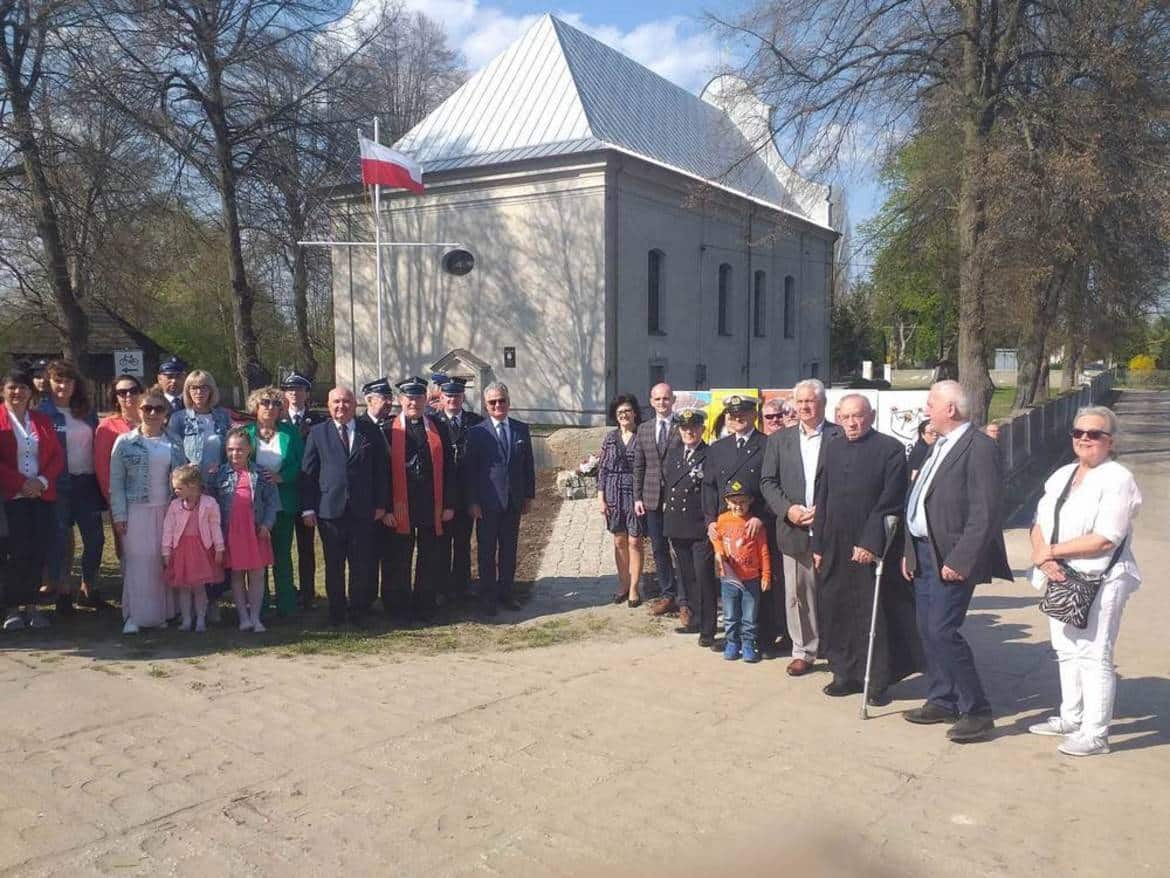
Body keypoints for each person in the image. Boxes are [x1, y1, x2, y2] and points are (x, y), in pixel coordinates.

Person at [901, 380, 1012, 743]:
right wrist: (909, 550)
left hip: (951, 557)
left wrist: (961, 558)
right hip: (923, 553)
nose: (926, 409)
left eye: (930, 403)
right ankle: (942, 698)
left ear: (950, 409)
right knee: (927, 629)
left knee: (943, 630)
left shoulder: (978, 447)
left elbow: (985, 511)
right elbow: (920, 498)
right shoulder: (940, 444)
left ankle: (977, 710)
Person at [1027, 406, 1139, 757]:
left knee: (1094, 654)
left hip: (1099, 579)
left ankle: (1095, 733)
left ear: (1110, 441)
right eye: (1078, 433)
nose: (1085, 439)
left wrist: (1051, 552)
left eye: (1094, 434)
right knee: (1065, 650)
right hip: (1058, 574)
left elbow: (1106, 538)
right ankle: (1071, 716)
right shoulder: (1063, 474)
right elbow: (1039, 521)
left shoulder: (1117, 479)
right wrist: (1043, 556)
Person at [812, 393, 911, 704]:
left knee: (872, 613)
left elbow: (891, 500)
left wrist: (870, 541)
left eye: (858, 416)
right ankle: (843, 671)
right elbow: (822, 495)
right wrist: (818, 544)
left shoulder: (890, 449)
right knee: (836, 607)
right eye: (845, 417)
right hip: (834, 543)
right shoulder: (833, 446)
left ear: (871, 416)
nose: (852, 423)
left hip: (870, 545)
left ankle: (877, 681)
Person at [761, 378, 842, 677]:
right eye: (801, 401)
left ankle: (836, 649)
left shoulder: (839, 435)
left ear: (823, 403)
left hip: (831, 529)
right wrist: (788, 510)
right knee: (797, 594)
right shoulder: (778, 441)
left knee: (833, 592)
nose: (805, 406)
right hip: (793, 529)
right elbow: (768, 482)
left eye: (811, 401)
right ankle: (804, 650)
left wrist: (827, 509)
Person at [300, 387, 390, 626]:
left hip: (363, 509)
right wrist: (308, 508)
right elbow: (308, 473)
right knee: (334, 564)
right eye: (336, 402)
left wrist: (381, 504)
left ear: (355, 404)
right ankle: (336, 613)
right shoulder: (318, 433)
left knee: (360, 563)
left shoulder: (369, 431)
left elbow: (381, 471)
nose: (341, 406)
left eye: (346, 401)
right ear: (329, 405)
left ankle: (358, 610)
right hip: (329, 510)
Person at [702, 394, 784, 656]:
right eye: (733, 414)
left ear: (754, 415)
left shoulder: (768, 444)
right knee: (729, 586)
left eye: (743, 413)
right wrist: (710, 520)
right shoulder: (718, 448)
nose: (737, 418)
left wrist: (762, 517)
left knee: (759, 586)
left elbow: (775, 485)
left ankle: (764, 637)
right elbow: (709, 487)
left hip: (756, 527)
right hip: (727, 529)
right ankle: (733, 637)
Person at [109, 389, 186, 634]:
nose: (153, 413)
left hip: (167, 509)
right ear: (139, 410)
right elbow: (116, 483)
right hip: (136, 510)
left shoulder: (175, 441)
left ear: (166, 413)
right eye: (147, 408)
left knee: (162, 561)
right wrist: (119, 515)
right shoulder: (125, 442)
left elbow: (183, 477)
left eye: (158, 409)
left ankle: (162, 614)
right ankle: (136, 616)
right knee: (138, 563)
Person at [383, 376, 456, 624]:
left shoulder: (438, 428)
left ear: (426, 399)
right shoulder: (388, 429)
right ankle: (400, 607)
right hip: (399, 504)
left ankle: (425, 605)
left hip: (430, 503)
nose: (413, 402)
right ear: (400, 400)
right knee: (400, 558)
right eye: (409, 398)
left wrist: (448, 504)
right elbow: (381, 473)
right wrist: (386, 508)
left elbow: (449, 469)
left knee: (429, 557)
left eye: (418, 397)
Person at [38, 360, 107, 615]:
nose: (63, 386)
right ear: (49, 383)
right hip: (58, 483)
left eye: (68, 381)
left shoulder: (86, 412)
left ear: (75, 384)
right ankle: (63, 590)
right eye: (58, 380)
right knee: (61, 540)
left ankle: (89, 587)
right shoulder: (42, 413)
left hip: (86, 482)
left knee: (95, 538)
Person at [0, 369, 64, 630]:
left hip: (40, 495)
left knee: (37, 550)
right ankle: (12, 608)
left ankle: (32, 606)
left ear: (31, 392)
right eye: (12, 387)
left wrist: (42, 482)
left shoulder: (41, 419)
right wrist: (20, 483)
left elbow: (56, 456)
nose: (18, 392)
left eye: (23, 387)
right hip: (9, 497)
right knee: (15, 552)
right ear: (3, 390)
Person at [465, 381, 536, 616]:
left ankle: (507, 593)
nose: (498, 405)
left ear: (509, 402)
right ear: (486, 405)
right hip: (487, 504)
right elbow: (470, 471)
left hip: (513, 502)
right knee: (486, 552)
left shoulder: (520, 429)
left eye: (501, 400)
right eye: (492, 402)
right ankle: (488, 597)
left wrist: (528, 495)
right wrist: (473, 502)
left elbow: (528, 465)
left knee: (509, 551)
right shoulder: (477, 432)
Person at [243, 386, 303, 616]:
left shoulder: (290, 433)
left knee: (282, 555)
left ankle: (287, 606)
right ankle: (260, 606)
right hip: (254, 504)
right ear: (255, 407)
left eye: (276, 404)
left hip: (284, 502)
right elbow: (235, 460)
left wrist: (282, 476)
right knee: (257, 558)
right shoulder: (245, 433)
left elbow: (301, 462)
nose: (270, 407)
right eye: (265, 403)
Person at [662, 408, 717, 643]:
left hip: (699, 526)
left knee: (703, 577)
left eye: (693, 427)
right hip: (678, 526)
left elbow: (712, 491)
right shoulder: (675, 454)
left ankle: (708, 629)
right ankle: (694, 620)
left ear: (702, 429)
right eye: (684, 428)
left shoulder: (710, 454)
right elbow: (669, 486)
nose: (689, 432)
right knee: (687, 577)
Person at [215, 428, 278, 632]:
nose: (235, 453)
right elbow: (211, 504)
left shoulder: (261, 473)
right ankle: (243, 617)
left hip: (255, 530)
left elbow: (272, 502)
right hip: (232, 531)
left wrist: (267, 524)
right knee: (236, 575)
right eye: (230, 449)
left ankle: (255, 617)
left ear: (249, 449)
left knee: (257, 574)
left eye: (240, 449)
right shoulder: (218, 475)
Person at [431, 376, 484, 602]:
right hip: (441, 495)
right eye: (449, 395)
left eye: (457, 395)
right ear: (441, 397)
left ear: (463, 397)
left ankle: (462, 586)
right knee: (441, 544)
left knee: (463, 543)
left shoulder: (475, 422)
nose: (453, 399)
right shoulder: (433, 422)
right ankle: (442, 587)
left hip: (465, 494)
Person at [712, 482, 772, 662]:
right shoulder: (723, 520)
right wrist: (719, 553)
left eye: (743, 502)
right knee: (730, 614)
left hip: (751, 579)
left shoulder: (754, 523)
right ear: (727, 502)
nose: (738, 506)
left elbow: (763, 550)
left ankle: (748, 643)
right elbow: (716, 539)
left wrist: (766, 574)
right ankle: (732, 642)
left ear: (750, 501)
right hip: (729, 578)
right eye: (734, 502)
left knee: (749, 615)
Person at [634, 382, 679, 615]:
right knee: (659, 548)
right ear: (651, 402)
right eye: (658, 399)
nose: (662, 402)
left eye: (666, 398)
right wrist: (637, 497)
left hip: (677, 498)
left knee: (680, 548)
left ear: (673, 400)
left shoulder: (683, 426)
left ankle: (686, 597)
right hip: (651, 498)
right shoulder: (644, 429)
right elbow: (639, 465)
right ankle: (668, 594)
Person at [281, 371, 325, 608]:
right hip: (285, 490)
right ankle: (287, 591)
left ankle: (308, 593)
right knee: (283, 546)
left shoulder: (317, 420)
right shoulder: (278, 419)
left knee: (307, 546)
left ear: (307, 393)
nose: (294, 394)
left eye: (298, 390)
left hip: (309, 490)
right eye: (289, 390)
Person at [162, 464, 224, 632]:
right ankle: (187, 619)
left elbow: (215, 526)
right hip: (181, 551)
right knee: (184, 587)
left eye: (179, 488)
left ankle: (201, 619)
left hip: (201, 550)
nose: (176, 491)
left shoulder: (209, 504)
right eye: (174, 488)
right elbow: (168, 529)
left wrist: (219, 547)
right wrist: (166, 551)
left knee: (199, 587)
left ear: (193, 486)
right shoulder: (174, 505)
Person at [598, 394, 646, 607]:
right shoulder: (610, 438)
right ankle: (623, 584)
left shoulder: (642, 435)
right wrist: (600, 497)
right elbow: (603, 469)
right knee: (619, 541)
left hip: (636, 493)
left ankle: (635, 587)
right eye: (620, 412)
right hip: (613, 492)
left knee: (635, 541)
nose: (624, 415)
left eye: (627, 411)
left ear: (634, 413)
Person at [167, 369, 231, 481]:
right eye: (194, 388)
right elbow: (172, 451)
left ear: (211, 390)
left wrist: (222, 466)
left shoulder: (223, 416)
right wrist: (186, 467)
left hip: (219, 480)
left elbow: (230, 450)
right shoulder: (178, 418)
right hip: (190, 481)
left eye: (203, 387)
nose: (199, 392)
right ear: (188, 391)